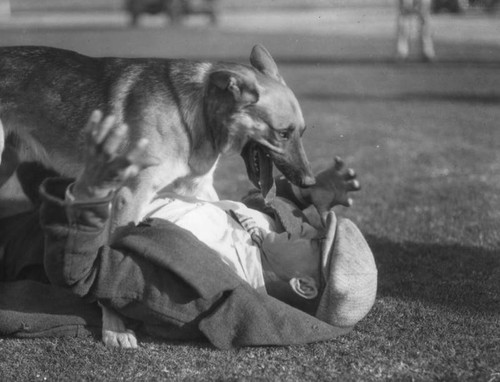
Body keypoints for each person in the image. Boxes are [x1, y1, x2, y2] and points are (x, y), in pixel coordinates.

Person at [0, 112, 377, 349]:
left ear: (305, 286)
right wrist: (311, 191)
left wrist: (91, 191)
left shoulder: (199, 288)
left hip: (49, 230)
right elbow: (260, 203)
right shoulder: (273, 237)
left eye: (316, 241)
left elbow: (81, 273)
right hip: (120, 182)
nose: (309, 227)